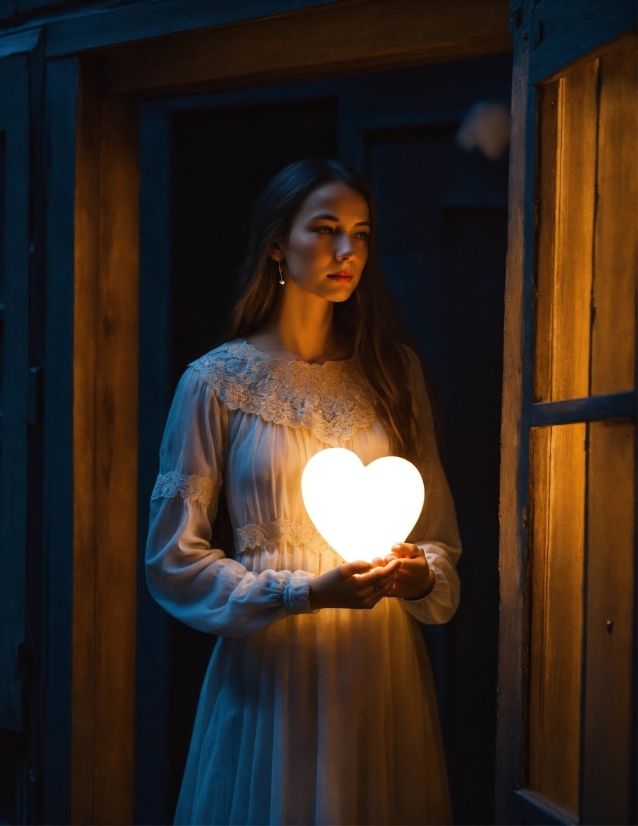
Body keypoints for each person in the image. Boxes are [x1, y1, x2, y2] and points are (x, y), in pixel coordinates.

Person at [146, 158, 461, 825]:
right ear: (275, 243)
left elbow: (439, 538)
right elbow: (173, 560)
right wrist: (302, 593)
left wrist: (417, 575)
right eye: (325, 229)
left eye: (362, 232)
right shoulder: (214, 383)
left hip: (379, 666)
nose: (349, 251)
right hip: (274, 663)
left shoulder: (393, 372)